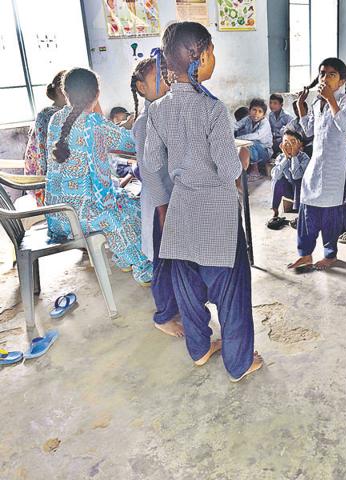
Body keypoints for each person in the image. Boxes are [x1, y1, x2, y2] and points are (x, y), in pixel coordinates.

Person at [143, 21, 262, 380]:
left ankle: (198, 349)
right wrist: (244, 159)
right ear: (203, 56)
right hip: (218, 220)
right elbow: (228, 169)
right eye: (213, 52)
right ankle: (240, 362)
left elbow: (151, 166)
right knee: (232, 295)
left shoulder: (157, 109)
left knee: (189, 291)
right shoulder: (212, 109)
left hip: (179, 214)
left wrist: (164, 208)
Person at [45, 68, 152, 285]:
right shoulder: (96, 125)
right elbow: (132, 143)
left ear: (66, 93)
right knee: (134, 203)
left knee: (123, 185)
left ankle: (123, 258)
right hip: (82, 219)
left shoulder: (55, 120)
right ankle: (142, 268)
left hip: (56, 215)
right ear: (96, 94)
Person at [130, 55, 183, 337]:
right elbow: (149, 171)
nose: (165, 81)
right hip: (161, 205)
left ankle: (181, 305)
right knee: (163, 263)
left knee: (177, 260)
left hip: (176, 199)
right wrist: (163, 209)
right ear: (141, 87)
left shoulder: (170, 111)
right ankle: (163, 316)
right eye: (156, 78)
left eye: (166, 74)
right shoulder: (145, 122)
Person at [287, 57, 346, 271]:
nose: (325, 78)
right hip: (316, 165)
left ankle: (330, 254)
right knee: (308, 209)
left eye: (332, 75)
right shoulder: (317, 102)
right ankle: (305, 254)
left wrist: (331, 100)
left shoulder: (345, 100)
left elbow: (343, 125)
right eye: (322, 73)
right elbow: (309, 132)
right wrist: (301, 107)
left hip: (334, 167)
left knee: (330, 215)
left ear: (341, 81)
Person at [23, 70, 66, 206]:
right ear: (61, 91)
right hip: (46, 186)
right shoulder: (51, 115)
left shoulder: (52, 113)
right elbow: (48, 162)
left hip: (45, 180)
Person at [268, 129, 309, 225]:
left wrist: (294, 156)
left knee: (298, 181)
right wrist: (286, 158)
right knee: (278, 181)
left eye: (293, 142)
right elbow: (275, 175)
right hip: (289, 190)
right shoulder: (281, 157)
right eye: (285, 142)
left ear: (300, 145)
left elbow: (297, 176)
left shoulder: (304, 158)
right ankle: (275, 212)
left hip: (301, 192)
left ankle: (300, 215)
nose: (289, 145)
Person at [234, 98, 273, 172]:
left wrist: (238, 138)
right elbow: (235, 126)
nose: (256, 113)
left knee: (252, 142)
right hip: (253, 152)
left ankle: (255, 171)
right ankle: (244, 168)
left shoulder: (265, 123)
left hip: (264, 154)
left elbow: (256, 135)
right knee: (244, 144)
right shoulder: (247, 119)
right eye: (254, 110)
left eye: (260, 111)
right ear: (249, 111)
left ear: (263, 115)